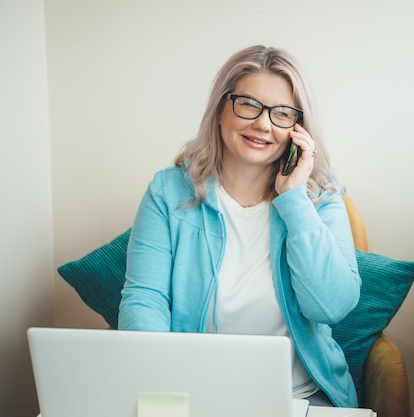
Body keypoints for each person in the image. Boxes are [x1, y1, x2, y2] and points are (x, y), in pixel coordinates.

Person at [118, 45, 361, 408]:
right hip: (193, 395)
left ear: (299, 129)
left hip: (300, 398)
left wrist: (294, 201)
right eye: (248, 104)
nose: (263, 124)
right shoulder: (168, 191)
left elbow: (333, 307)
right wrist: (166, 387)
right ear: (220, 109)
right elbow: (144, 300)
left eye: (282, 114)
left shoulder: (321, 200)